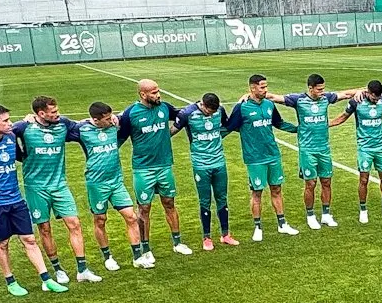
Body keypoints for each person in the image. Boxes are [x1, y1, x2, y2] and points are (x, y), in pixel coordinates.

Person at [0, 104, 65, 291]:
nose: (10, 123)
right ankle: (11, 282)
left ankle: (47, 280)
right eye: (6, 120)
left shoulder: (10, 136)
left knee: (30, 240)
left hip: (16, 200)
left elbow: (22, 144)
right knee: (2, 243)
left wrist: (30, 119)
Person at [11, 97, 103, 283]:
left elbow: (85, 127)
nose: (57, 114)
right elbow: (0, 133)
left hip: (60, 185)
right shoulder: (23, 127)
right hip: (36, 187)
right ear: (40, 113)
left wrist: (109, 120)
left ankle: (82, 269)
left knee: (74, 224)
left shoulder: (64, 124)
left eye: (57, 110)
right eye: (53, 112)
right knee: (45, 228)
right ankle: (57, 269)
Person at [119, 79, 194, 256]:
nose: (158, 95)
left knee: (169, 203)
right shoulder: (131, 113)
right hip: (143, 169)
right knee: (144, 208)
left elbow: (183, 115)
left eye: (158, 91)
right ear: (143, 95)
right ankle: (145, 248)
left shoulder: (164, 107)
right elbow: (119, 137)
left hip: (165, 166)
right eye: (153, 92)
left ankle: (177, 242)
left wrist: (171, 132)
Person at [73, 100, 151, 270]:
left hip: (116, 182)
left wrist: (116, 117)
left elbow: (128, 114)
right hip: (96, 183)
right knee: (100, 220)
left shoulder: (113, 125)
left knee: (131, 216)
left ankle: (137, 257)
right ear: (95, 119)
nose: (111, 121)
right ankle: (107, 257)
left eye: (111, 117)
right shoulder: (82, 130)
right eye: (107, 119)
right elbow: (61, 126)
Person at [229, 76, 305, 239]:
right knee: (257, 192)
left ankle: (282, 224)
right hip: (254, 158)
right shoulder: (241, 108)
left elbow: (279, 123)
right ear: (252, 88)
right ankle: (258, 227)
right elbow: (230, 127)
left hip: (273, 154)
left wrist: (300, 129)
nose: (265, 90)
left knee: (276, 189)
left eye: (266, 87)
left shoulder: (269, 105)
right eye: (262, 87)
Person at [170, 91, 241, 245]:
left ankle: (226, 234)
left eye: (213, 111)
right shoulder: (187, 114)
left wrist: (240, 104)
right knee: (205, 200)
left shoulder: (220, 111)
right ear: (202, 104)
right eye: (209, 110)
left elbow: (227, 126)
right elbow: (172, 131)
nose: (211, 114)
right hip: (200, 164)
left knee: (222, 198)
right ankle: (207, 237)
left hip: (219, 162)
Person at [279, 74, 349, 228]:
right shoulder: (298, 100)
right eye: (319, 89)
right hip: (307, 150)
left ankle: (326, 214)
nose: (322, 92)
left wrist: (364, 91)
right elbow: (275, 98)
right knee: (310, 183)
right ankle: (310, 215)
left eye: (323, 89)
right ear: (310, 88)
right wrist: (248, 95)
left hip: (324, 148)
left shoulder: (326, 98)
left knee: (326, 182)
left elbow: (346, 94)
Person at [340, 80, 382, 224]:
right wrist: (326, 125)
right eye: (373, 98)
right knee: (364, 179)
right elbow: (343, 116)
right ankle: (363, 210)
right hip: (365, 148)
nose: (376, 100)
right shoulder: (356, 102)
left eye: (377, 98)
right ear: (368, 92)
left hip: (380, 147)